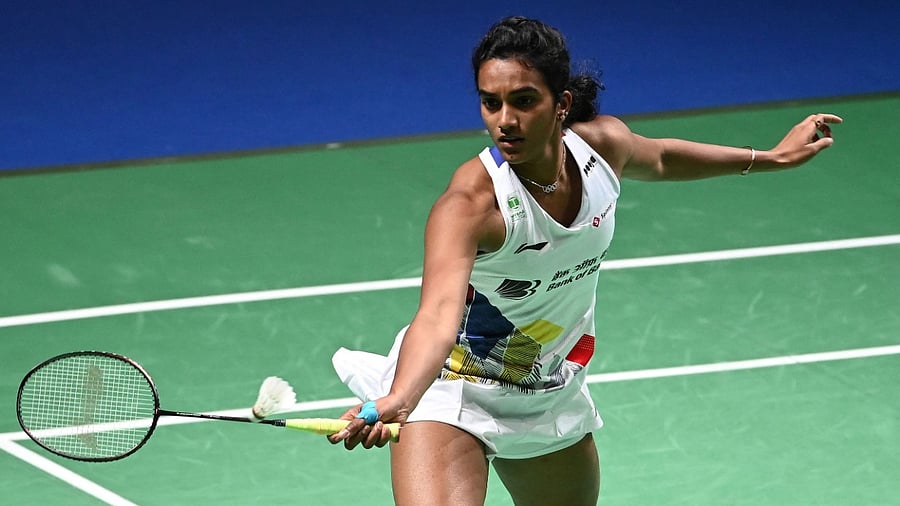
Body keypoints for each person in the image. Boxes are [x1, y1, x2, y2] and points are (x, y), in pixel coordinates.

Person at [327, 16, 841, 506]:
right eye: (491, 103)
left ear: (560, 104)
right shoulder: (471, 205)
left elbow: (660, 156)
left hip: (546, 388)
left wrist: (769, 158)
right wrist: (401, 397)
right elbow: (437, 316)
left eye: (523, 101)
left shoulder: (599, 150)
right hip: (451, 387)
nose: (505, 120)